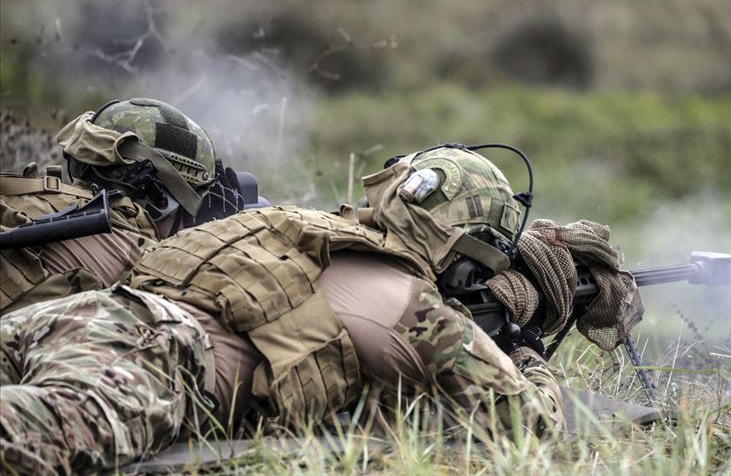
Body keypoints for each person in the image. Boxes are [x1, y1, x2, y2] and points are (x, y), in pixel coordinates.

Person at [0, 145, 642, 474]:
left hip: (73, 317)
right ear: (464, 250)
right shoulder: (408, 305)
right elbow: (528, 426)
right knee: (29, 442)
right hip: (157, 355)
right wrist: (525, 349)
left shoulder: (285, 224)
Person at [0, 98, 244, 315]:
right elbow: (214, 314)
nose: (194, 216)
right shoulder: (122, 247)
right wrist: (220, 237)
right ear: (159, 200)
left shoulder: (38, 203)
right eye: (196, 198)